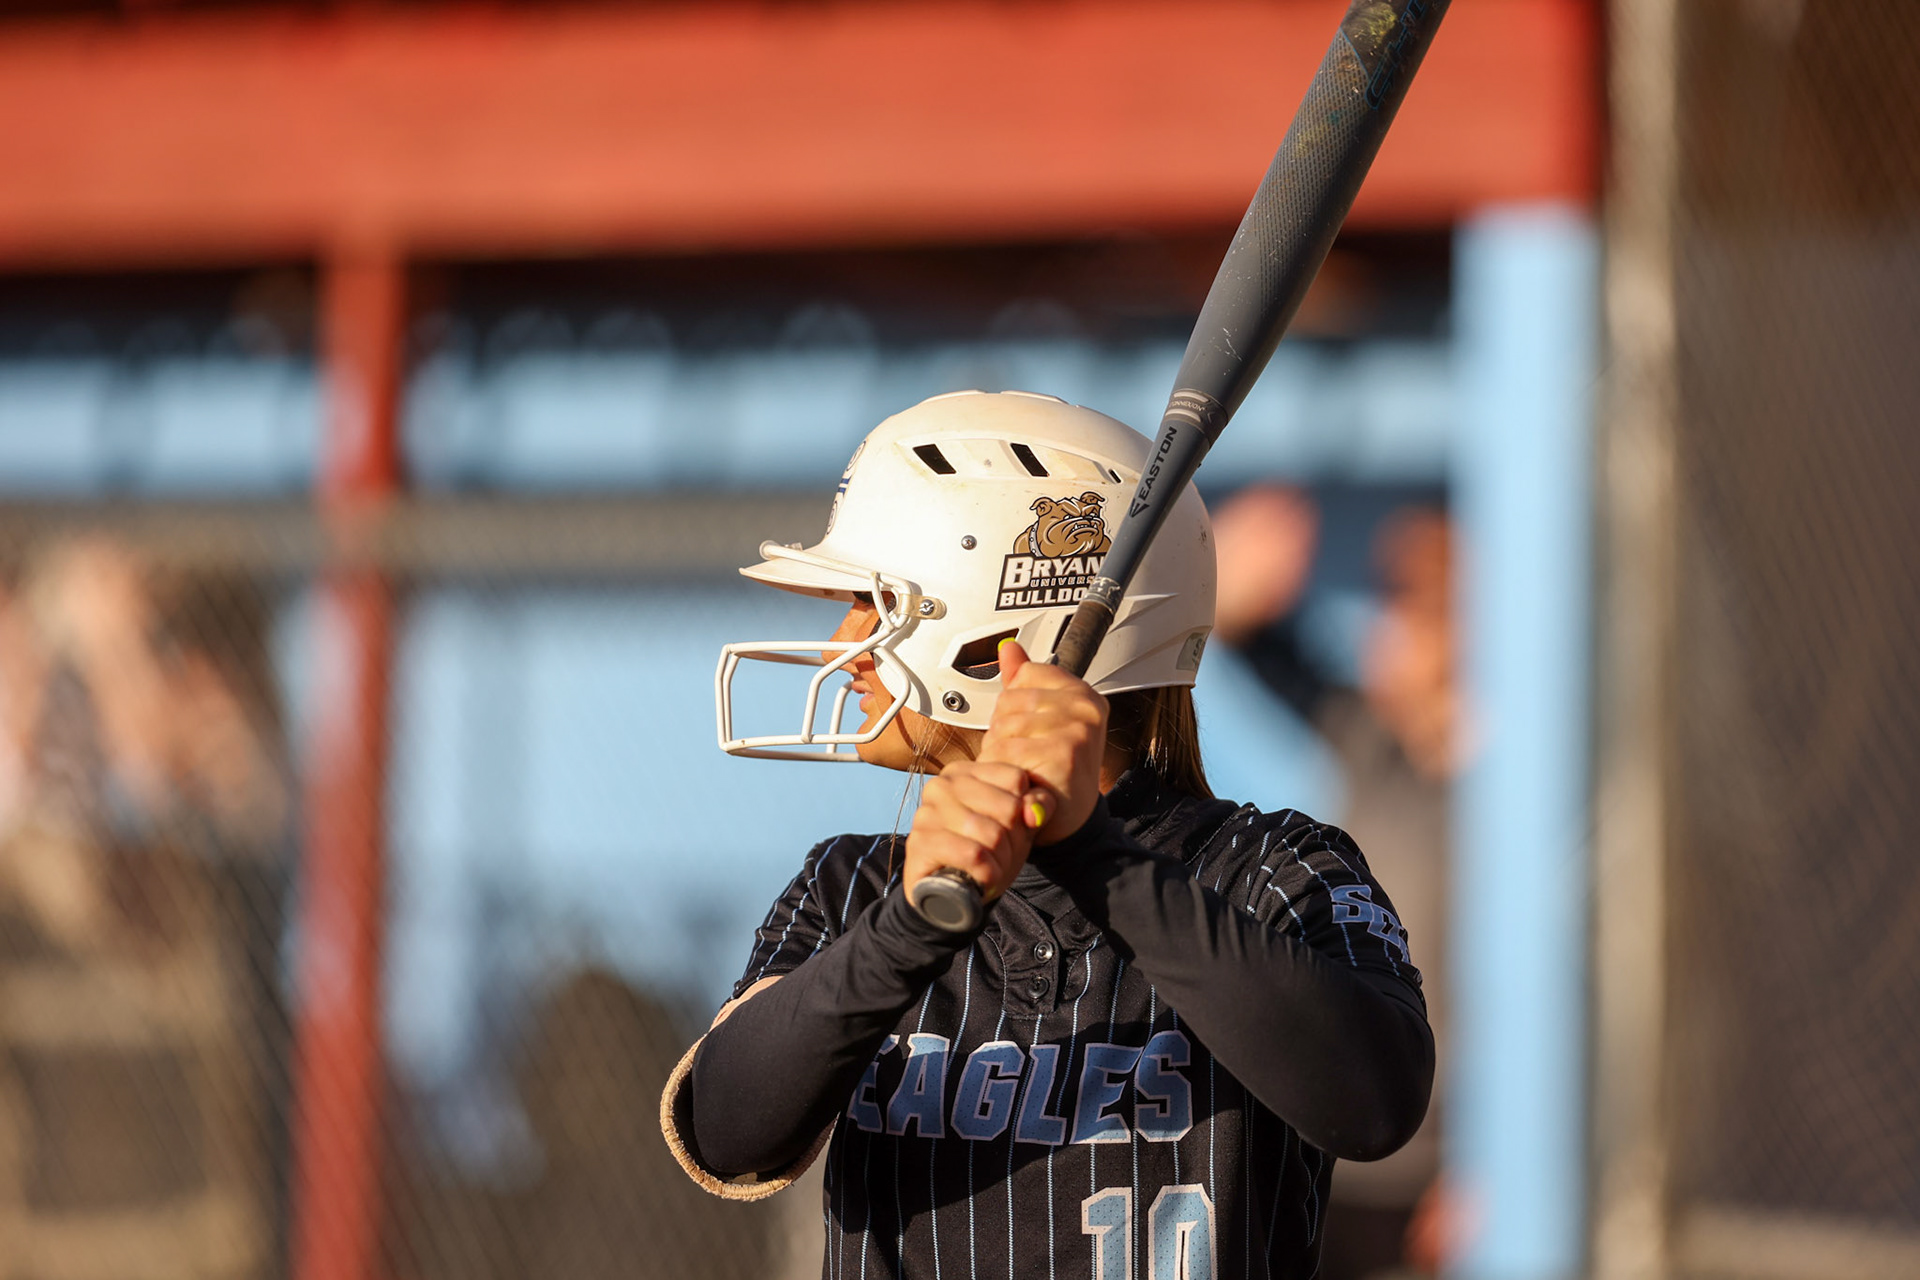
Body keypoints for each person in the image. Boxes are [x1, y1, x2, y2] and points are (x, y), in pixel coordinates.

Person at [661, 391, 1434, 1279]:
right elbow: (725, 1132)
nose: (846, 645)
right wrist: (910, 928)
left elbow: (1374, 1104)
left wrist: (1092, 854)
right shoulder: (857, 885)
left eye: (873, 606)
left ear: (998, 637)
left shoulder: (1275, 868)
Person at [1212, 486, 1459, 1278]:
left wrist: (1489, 1169)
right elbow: (1258, 645)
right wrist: (1238, 584)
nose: (1379, 635)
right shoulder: (1373, 741)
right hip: (1329, 1144)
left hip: (1433, 1176)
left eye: (1404, 612)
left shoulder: (1518, 796)